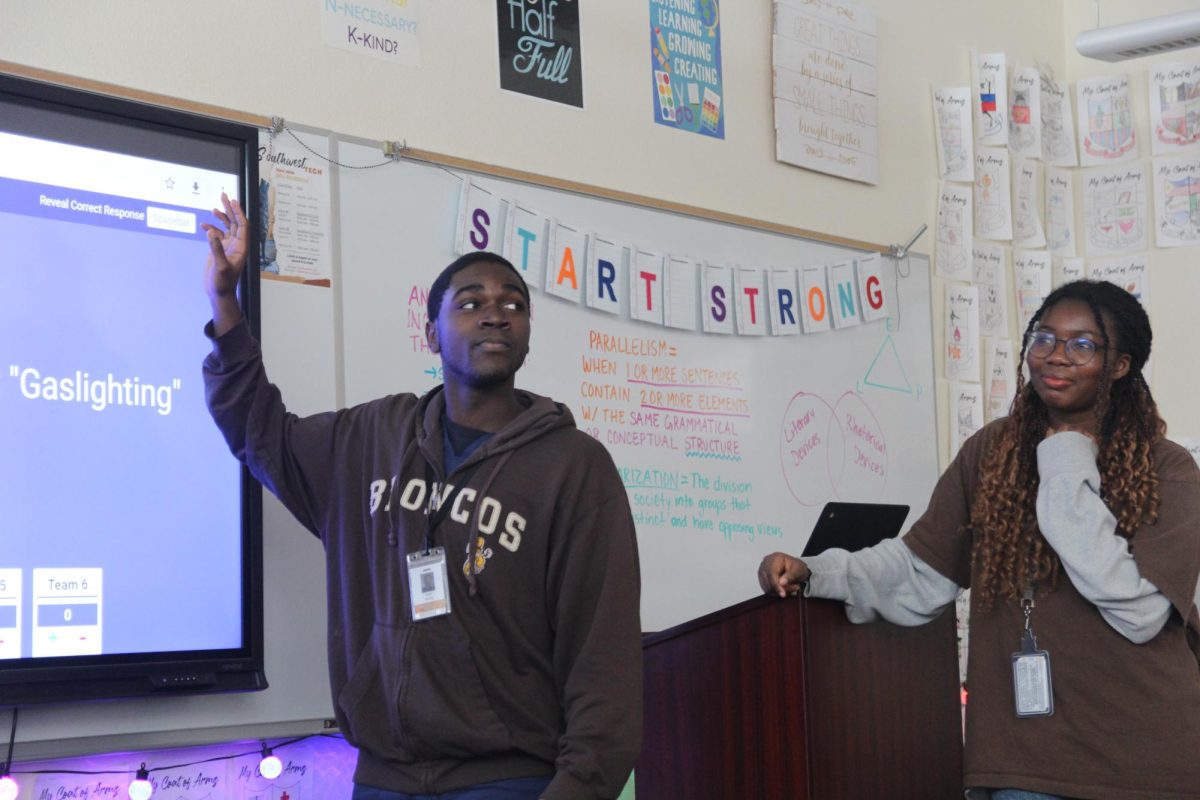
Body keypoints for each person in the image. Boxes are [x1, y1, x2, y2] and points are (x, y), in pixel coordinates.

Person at [201, 194, 642, 799]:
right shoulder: (370, 440)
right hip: (384, 777)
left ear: (528, 335)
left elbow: (604, 655)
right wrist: (226, 304)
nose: (495, 314)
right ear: (430, 332)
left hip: (511, 778)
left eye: (513, 304)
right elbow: (261, 432)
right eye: (471, 303)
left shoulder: (574, 467)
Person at [759, 280, 1200, 800]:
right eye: (1043, 338)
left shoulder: (1167, 468)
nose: (1056, 356)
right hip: (1020, 761)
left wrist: (1064, 462)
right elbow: (922, 572)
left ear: (1121, 365)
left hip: (1144, 765)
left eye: (1083, 345)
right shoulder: (992, 452)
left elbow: (1141, 612)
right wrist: (819, 572)